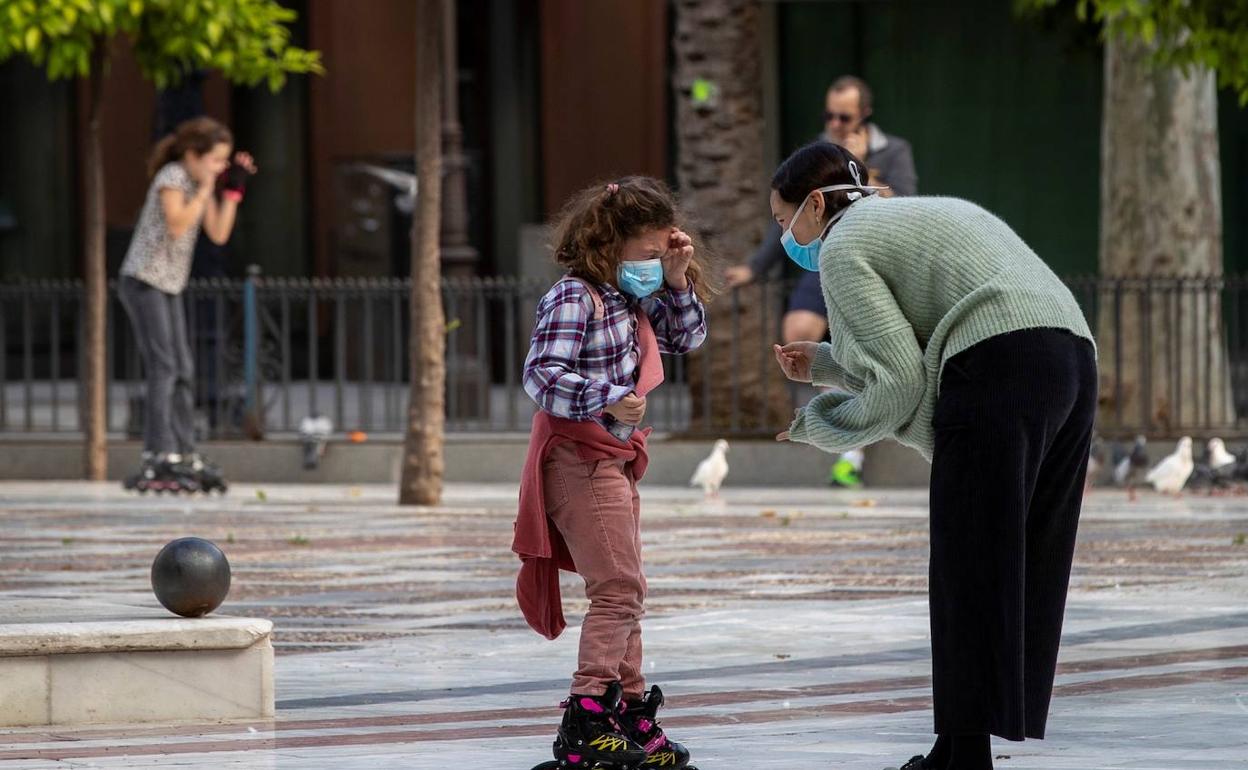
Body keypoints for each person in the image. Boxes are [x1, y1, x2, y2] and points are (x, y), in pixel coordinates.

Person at [768, 142, 1096, 770]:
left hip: (999, 358)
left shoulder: (841, 245)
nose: (786, 236)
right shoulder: (903, 216)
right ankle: (966, 743)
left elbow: (897, 388)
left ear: (816, 204)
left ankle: (962, 755)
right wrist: (828, 367)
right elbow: (912, 356)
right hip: (1071, 353)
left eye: (784, 221)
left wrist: (817, 426)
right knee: (1022, 553)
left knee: (966, 559)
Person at [513, 177, 709, 770]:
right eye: (648, 254)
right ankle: (587, 714)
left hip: (615, 459)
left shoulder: (630, 300)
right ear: (611, 243)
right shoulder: (575, 297)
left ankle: (628, 710)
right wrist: (607, 398)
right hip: (579, 456)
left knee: (628, 590)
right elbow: (541, 376)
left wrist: (675, 278)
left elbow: (686, 336)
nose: (652, 264)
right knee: (618, 589)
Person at [118, 116, 257, 494]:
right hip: (143, 280)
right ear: (193, 155)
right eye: (215, 160)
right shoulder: (173, 177)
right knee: (164, 366)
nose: (219, 167)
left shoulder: (197, 182)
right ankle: (158, 452)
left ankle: (183, 451)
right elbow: (178, 224)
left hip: (168, 284)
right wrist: (206, 188)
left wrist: (232, 192)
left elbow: (218, 232)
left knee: (184, 366)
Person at [725, 75, 917, 347]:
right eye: (829, 116)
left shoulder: (893, 150)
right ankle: (833, 384)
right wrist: (755, 267)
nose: (835, 124)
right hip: (829, 251)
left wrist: (857, 164)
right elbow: (789, 212)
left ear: (864, 115)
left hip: (880, 256)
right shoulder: (817, 152)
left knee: (870, 335)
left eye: (844, 117)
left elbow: (905, 204)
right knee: (798, 332)